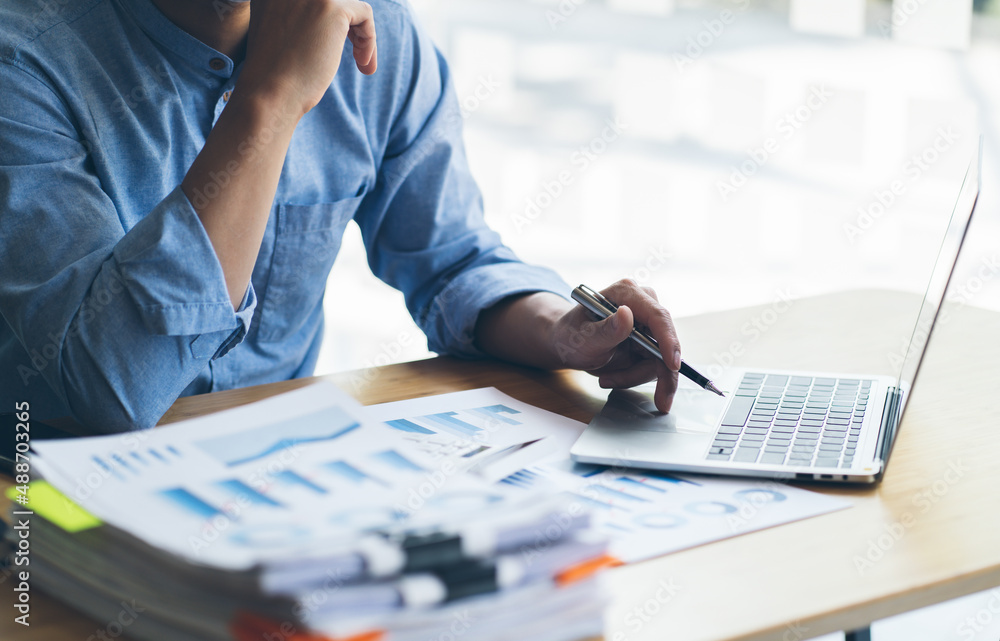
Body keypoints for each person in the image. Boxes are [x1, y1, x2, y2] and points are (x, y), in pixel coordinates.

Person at [0, 0, 682, 433]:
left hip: (264, 490)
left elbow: (453, 261)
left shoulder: (376, 34)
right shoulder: (23, 58)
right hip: (46, 515)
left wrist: (564, 332)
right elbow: (111, 389)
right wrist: (269, 100)